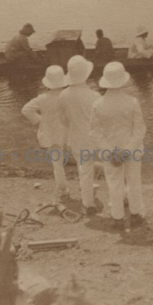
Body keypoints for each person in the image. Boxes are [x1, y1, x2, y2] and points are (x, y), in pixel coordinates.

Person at [90, 61, 147, 228]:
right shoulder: (132, 101)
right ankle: (136, 214)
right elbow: (140, 129)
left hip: (110, 152)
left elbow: (94, 132)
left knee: (114, 184)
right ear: (123, 81)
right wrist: (127, 150)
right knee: (134, 182)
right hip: (132, 150)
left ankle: (117, 218)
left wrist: (110, 150)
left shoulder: (98, 104)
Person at [57, 55, 102, 216]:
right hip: (95, 139)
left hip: (77, 138)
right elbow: (100, 120)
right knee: (111, 168)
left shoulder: (63, 95)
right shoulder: (95, 96)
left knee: (84, 170)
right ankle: (122, 197)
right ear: (86, 75)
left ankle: (88, 203)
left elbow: (63, 120)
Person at [22, 65, 70, 201]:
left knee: (57, 164)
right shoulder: (67, 97)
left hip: (50, 134)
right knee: (78, 159)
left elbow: (26, 109)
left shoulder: (42, 98)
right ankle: (86, 186)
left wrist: (40, 120)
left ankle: (63, 189)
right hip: (66, 133)